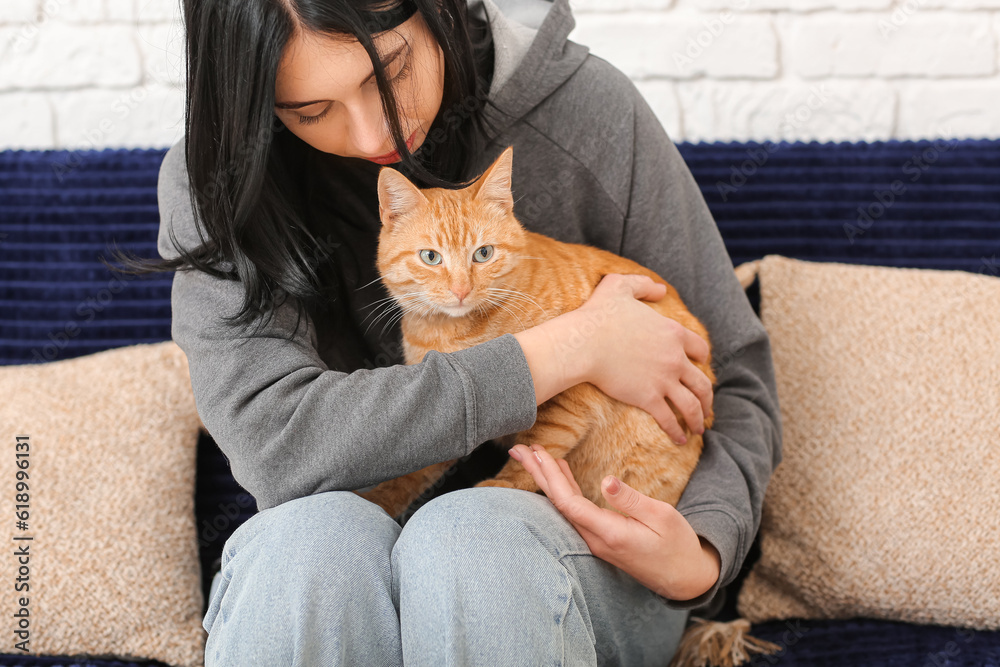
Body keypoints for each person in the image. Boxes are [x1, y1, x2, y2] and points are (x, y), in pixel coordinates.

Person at [113, 0, 783, 663]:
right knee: (308, 543)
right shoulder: (218, 181)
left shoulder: (588, 110)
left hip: (575, 563)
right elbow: (276, 445)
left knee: (470, 536)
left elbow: (737, 374)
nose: (377, 134)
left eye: (392, 71)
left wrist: (701, 552)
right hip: (333, 568)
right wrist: (573, 348)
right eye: (310, 111)